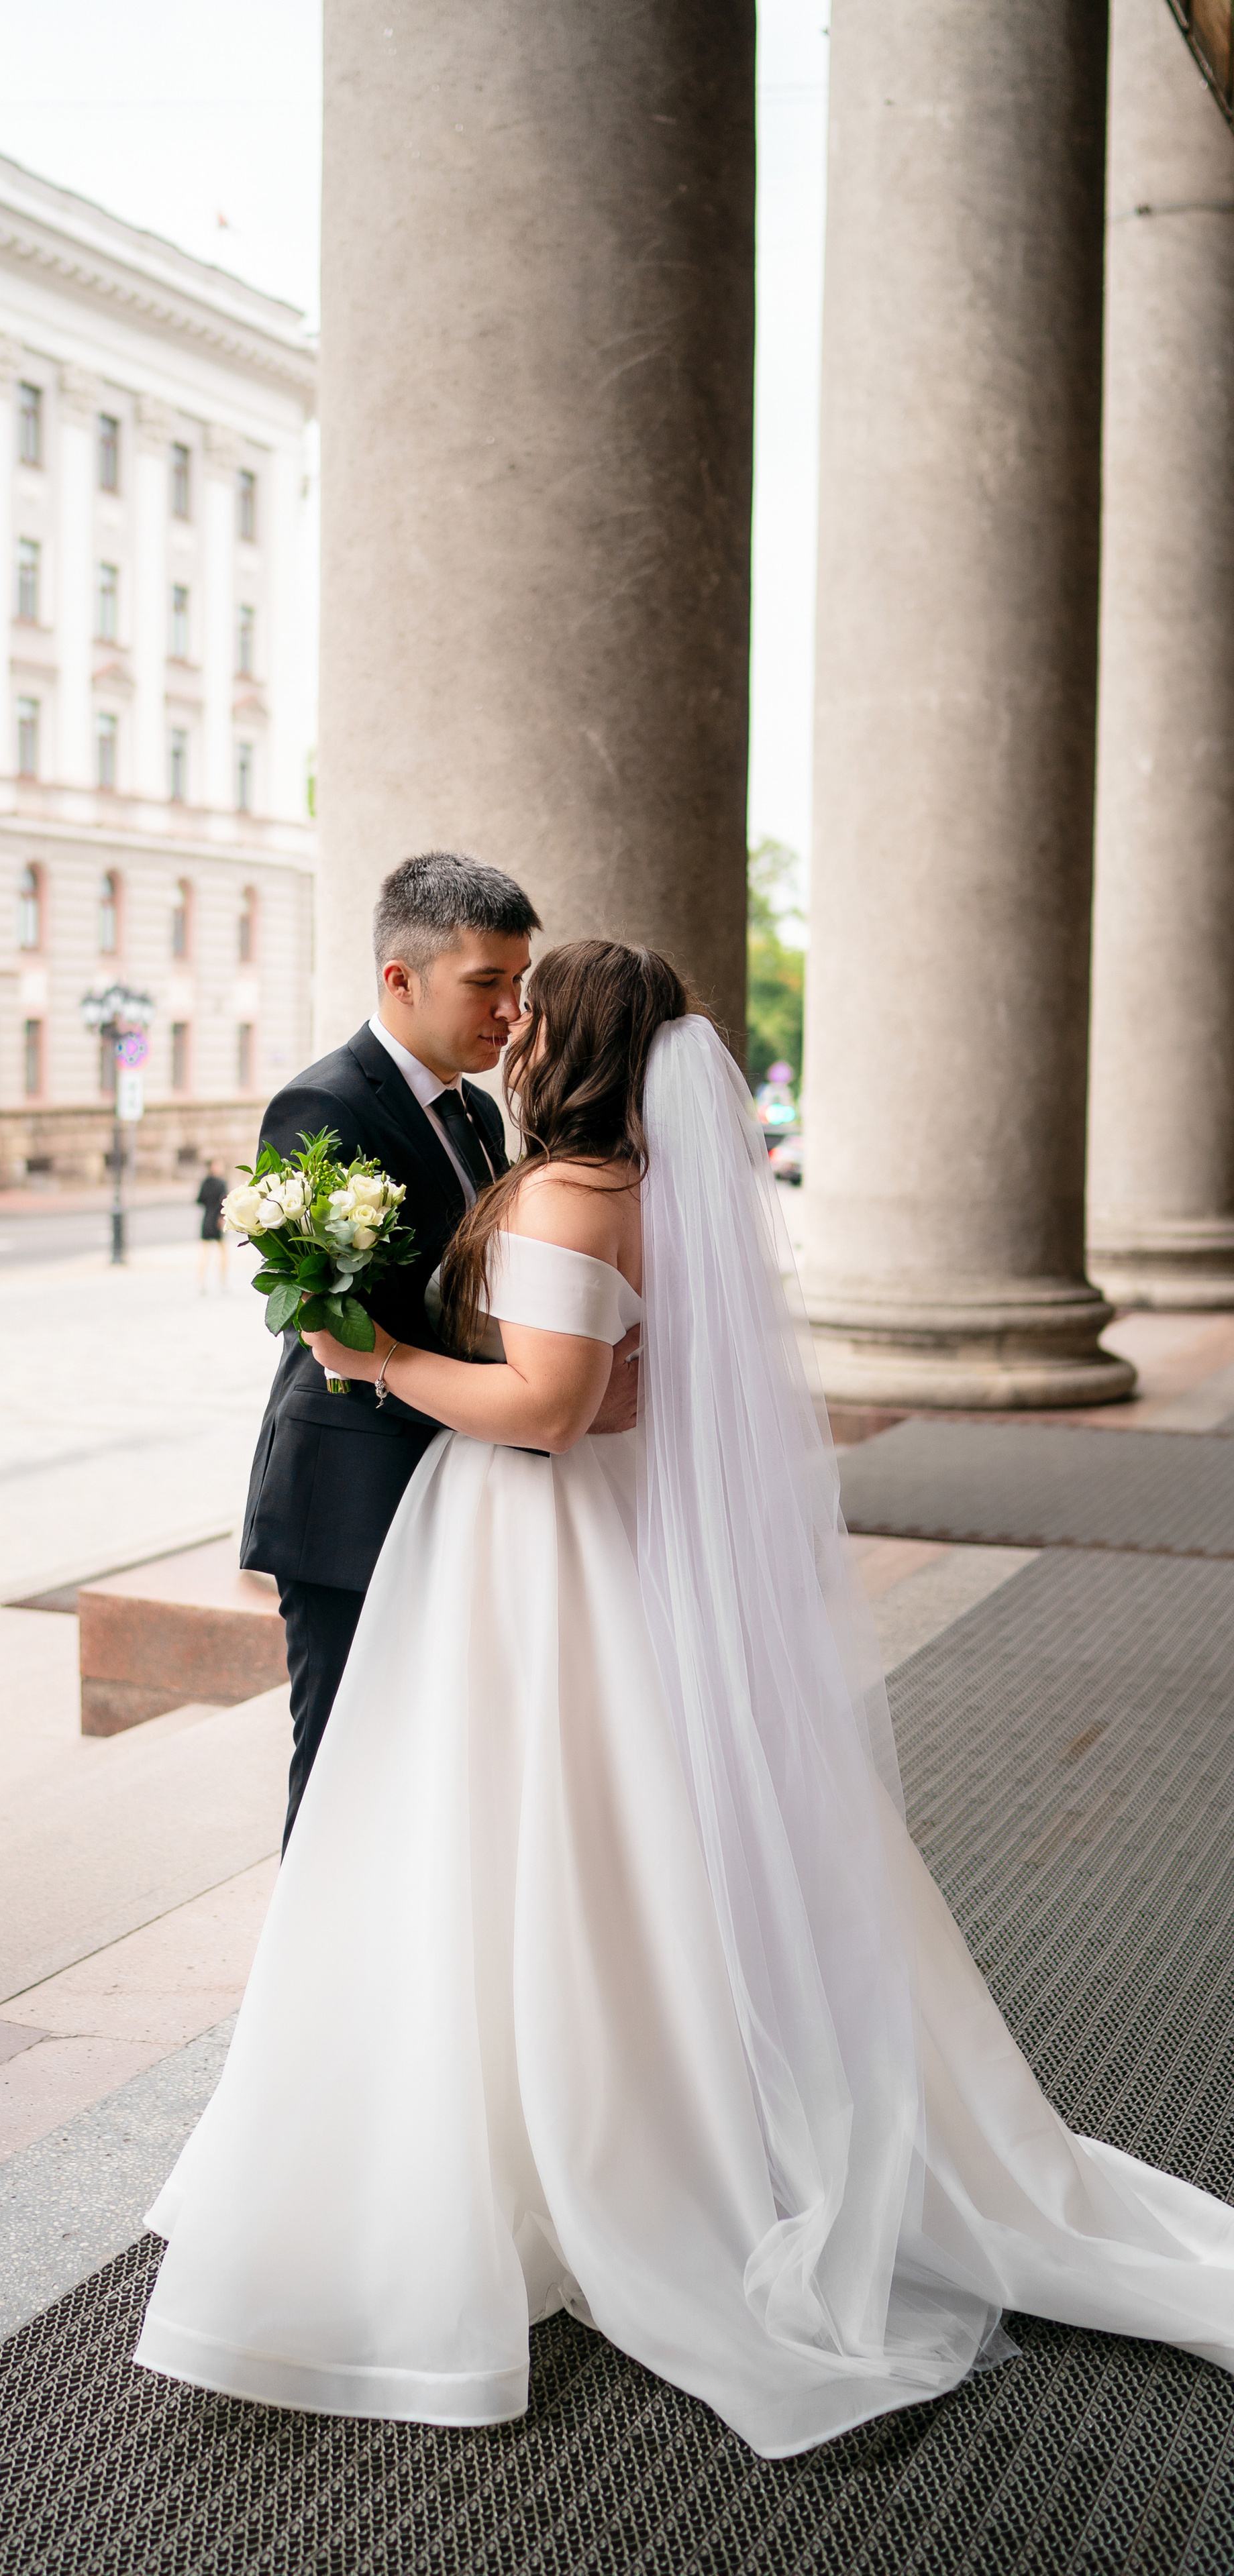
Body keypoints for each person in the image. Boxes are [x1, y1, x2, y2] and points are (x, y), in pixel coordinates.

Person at [136, 938, 1234, 2459]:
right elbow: (640, 1382)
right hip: (580, 1539)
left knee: (532, 1831)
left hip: (535, 1538)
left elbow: (544, 1406)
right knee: (606, 1826)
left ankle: (582, 2134)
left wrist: (376, 1354)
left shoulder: (573, 1193)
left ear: (570, 1043)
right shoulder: (649, 1194)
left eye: (531, 1009)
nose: (507, 1025)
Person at [239, 851, 637, 1849]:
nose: (511, 1012)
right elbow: (336, 1324)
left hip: (464, 1485)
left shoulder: (480, 1108)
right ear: (401, 980)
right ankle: (313, 1994)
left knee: (435, 1761)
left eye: (520, 984)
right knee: (340, 1757)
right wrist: (532, 1395)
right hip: (355, 1490)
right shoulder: (324, 1107)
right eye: (486, 984)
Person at [195, 1159, 229, 1293]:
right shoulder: (221, 1183)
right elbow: (226, 1202)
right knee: (223, 1254)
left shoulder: (205, 1182)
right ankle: (222, 1282)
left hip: (207, 1220)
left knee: (204, 1253)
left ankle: (201, 1283)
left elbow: (199, 1200)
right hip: (217, 1221)